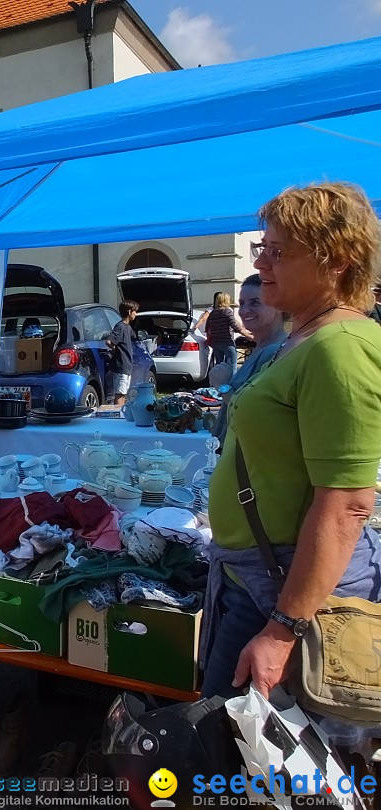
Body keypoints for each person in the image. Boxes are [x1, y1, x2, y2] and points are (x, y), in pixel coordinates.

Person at [201, 181, 381, 702]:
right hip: (257, 576)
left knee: (247, 758)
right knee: (232, 747)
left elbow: (347, 502)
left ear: (339, 260)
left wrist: (283, 630)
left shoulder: (340, 346)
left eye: (280, 252)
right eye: (264, 249)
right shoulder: (304, 338)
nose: (262, 264)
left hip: (284, 590)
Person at [210, 274, 288, 446]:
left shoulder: (276, 352)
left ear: (278, 305)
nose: (244, 311)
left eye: (255, 303)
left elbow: (254, 413)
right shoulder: (261, 349)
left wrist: (223, 386)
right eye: (242, 303)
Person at [203, 291, 252, 369]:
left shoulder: (212, 313)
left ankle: (220, 380)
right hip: (227, 343)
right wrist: (249, 336)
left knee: (219, 366)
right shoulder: (227, 312)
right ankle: (232, 381)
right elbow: (235, 326)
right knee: (232, 366)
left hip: (216, 343)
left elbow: (207, 327)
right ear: (225, 301)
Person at [107, 300, 138, 406]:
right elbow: (108, 341)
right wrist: (115, 349)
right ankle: (118, 415)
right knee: (119, 393)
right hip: (121, 366)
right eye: (135, 311)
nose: (136, 314)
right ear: (129, 312)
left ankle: (122, 413)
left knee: (123, 393)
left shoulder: (128, 327)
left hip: (127, 365)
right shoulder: (120, 326)